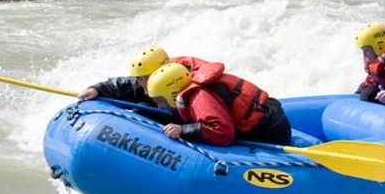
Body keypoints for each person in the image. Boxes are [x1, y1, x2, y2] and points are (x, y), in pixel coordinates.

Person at [146, 61, 292, 147]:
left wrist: (183, 130)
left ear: (171, 93)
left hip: (269, 130)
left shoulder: (199, 97)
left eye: (160, 100)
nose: (160, 106)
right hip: (268, 115)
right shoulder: (192, 89)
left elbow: (223, 132)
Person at [77, 46, 208, 103]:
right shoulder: (143, 82)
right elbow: (119, 85)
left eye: (144, 78)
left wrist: (184, 130)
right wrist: (96, 89)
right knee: (142, 107)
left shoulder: (192, 88)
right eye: (139, 78)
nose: (140, 82)